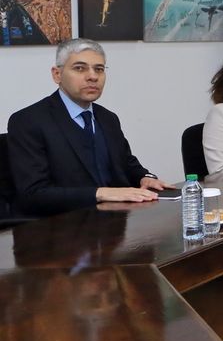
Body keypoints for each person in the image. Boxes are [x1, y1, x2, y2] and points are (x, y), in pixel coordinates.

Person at [7, 38, 172, 216]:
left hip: (115, 221)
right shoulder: (28, 121)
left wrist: (145, 178)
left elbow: (126, 163)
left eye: (99, 69)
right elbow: (33, 194)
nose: (93, 77)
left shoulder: (108, 118)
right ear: (57, 74)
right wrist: (101, 193)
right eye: (80, 68)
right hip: (61, 224)